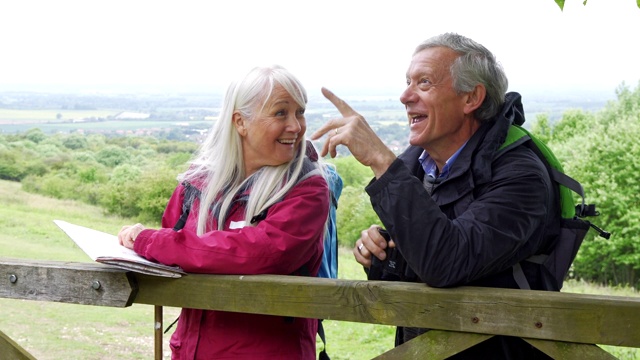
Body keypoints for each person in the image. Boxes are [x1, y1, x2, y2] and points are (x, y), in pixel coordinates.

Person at [311, 33, 560, 359]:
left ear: (471, 98)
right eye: (407, 82)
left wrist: (380, 160)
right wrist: (379, 253)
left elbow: (448, 262)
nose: (404, 96)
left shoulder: (521, 176)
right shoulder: (418, 166)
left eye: (424, 83)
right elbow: (421, 261)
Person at [118, 65, 331, 360]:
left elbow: (261, 252)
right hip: (191, 350)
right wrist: (140, 241)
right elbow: (172, 242)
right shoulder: (197, 183)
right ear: (240, 122)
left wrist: (153, 241)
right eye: (281, 113)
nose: (296, 126)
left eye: (300, 112)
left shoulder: (306, 189)